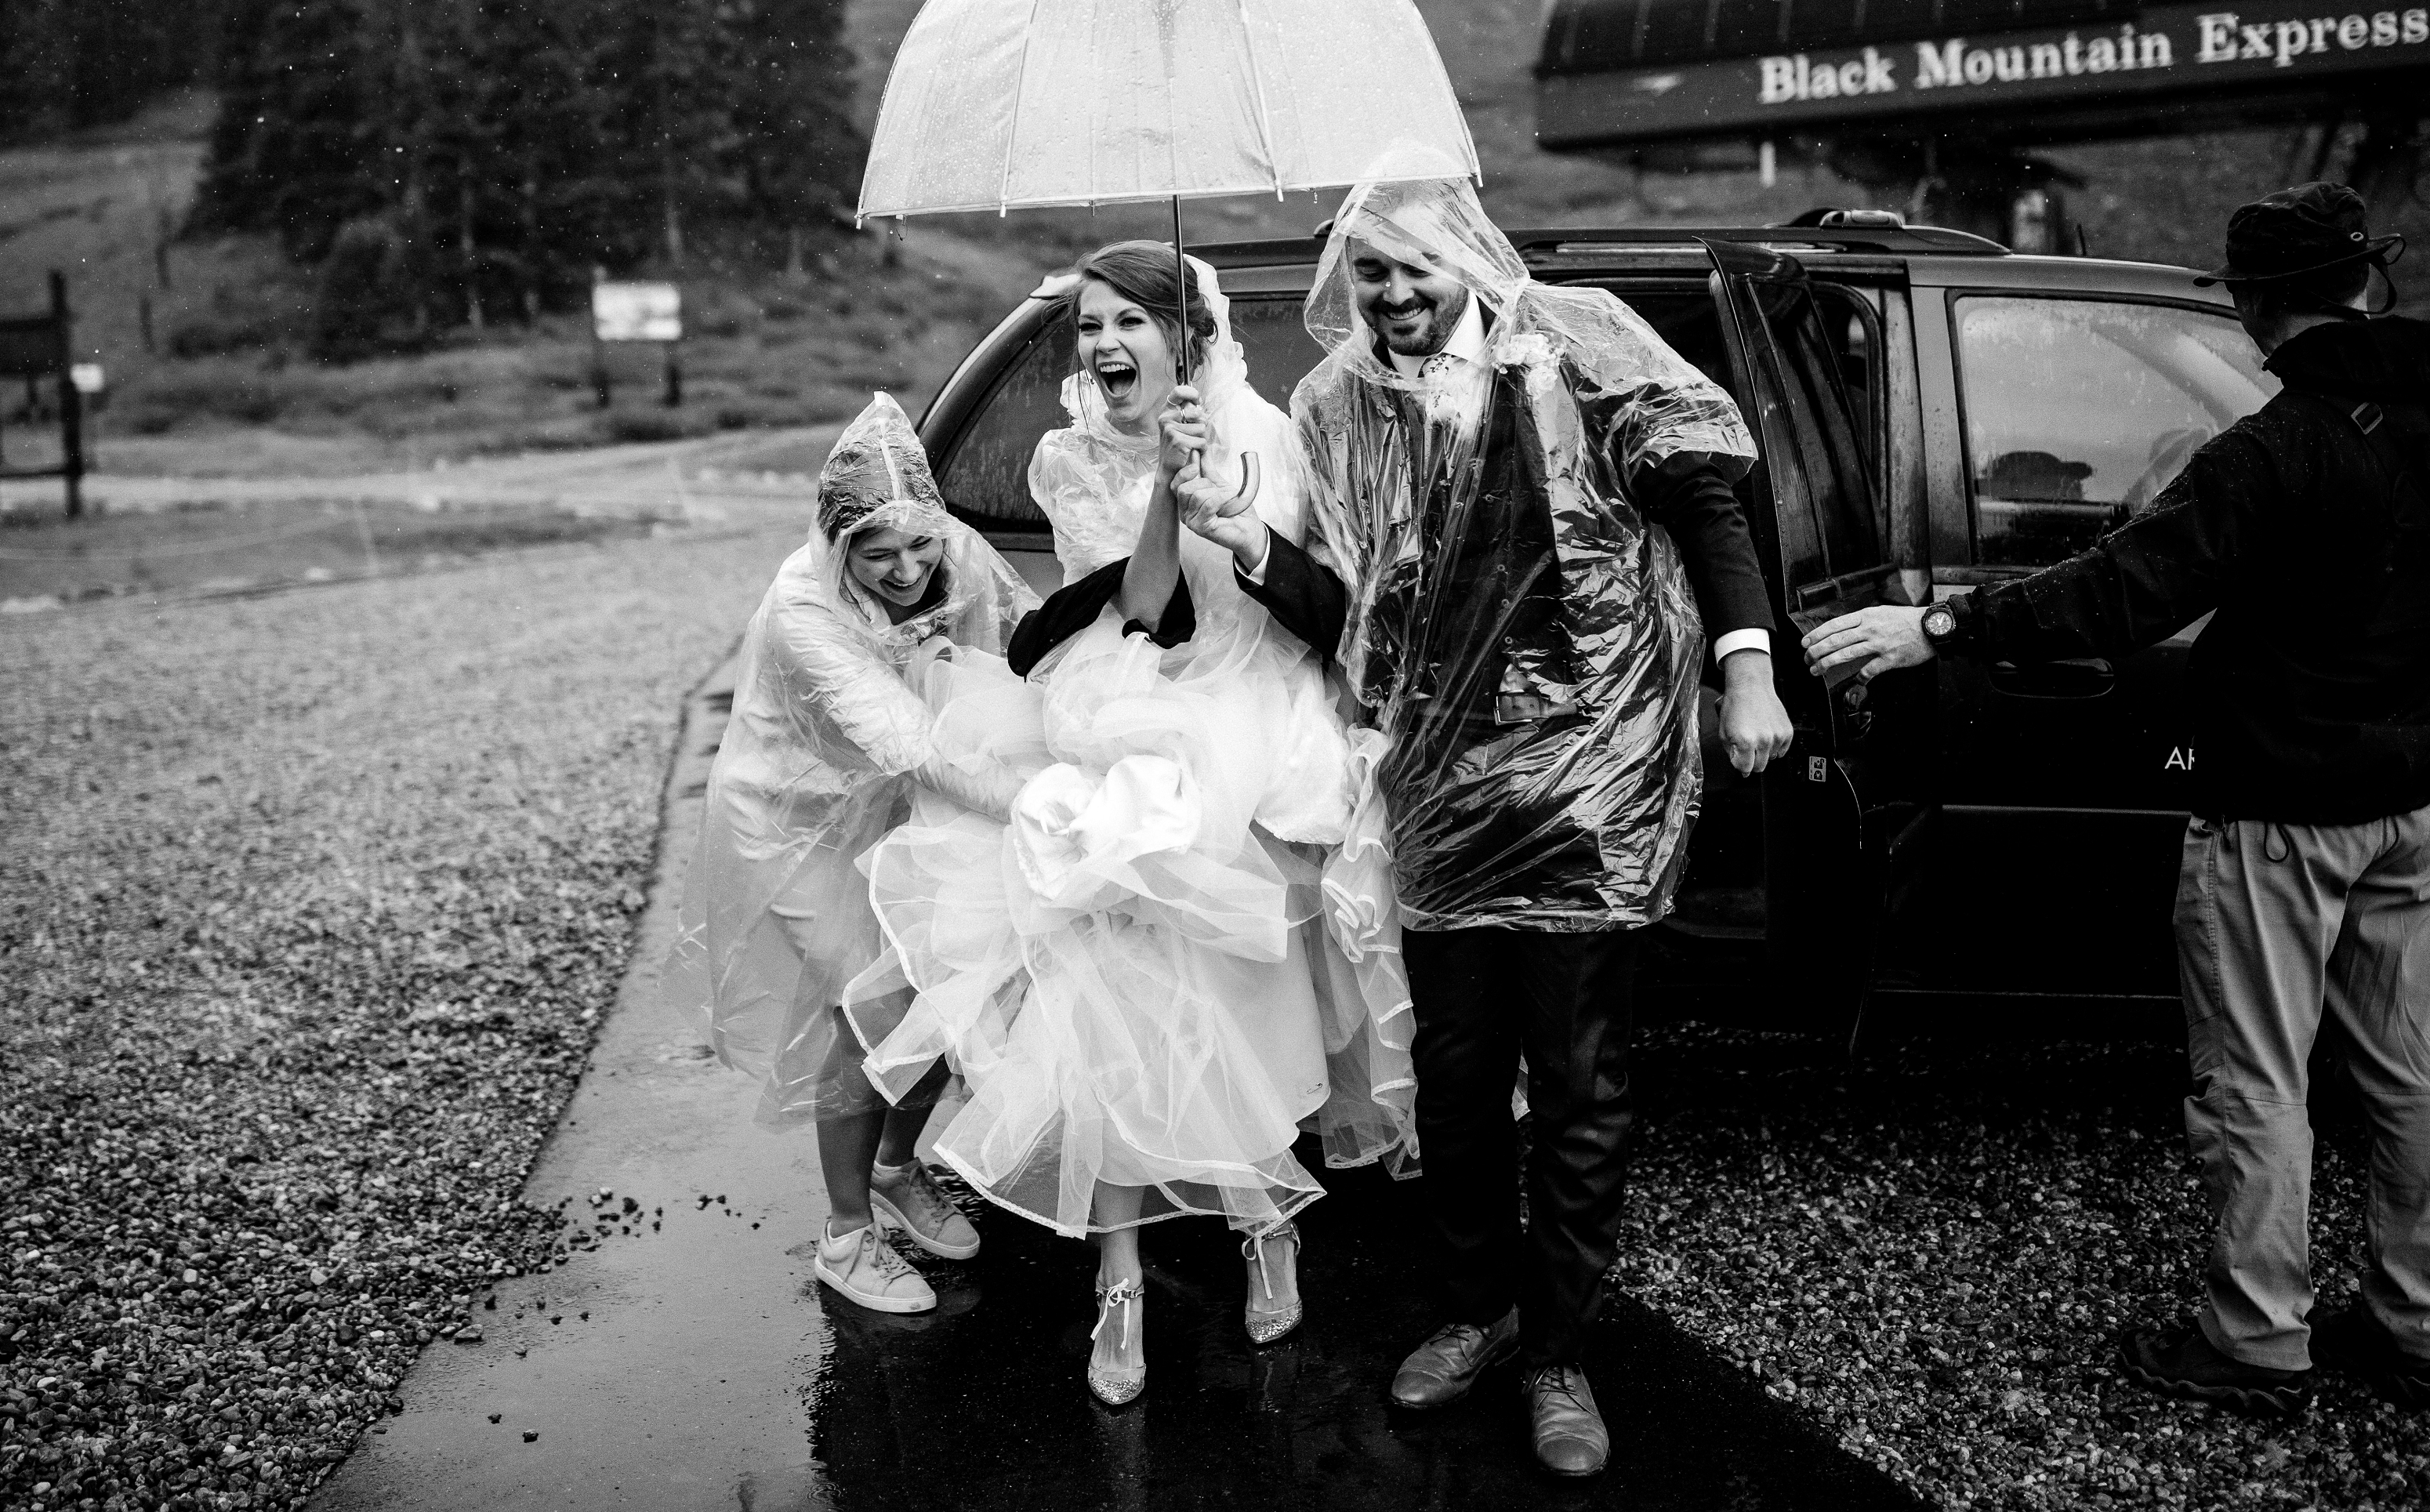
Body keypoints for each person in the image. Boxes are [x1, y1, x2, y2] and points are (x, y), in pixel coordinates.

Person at [1804, 181, 2430, 1416]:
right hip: (2412, 804)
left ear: (2253, 305)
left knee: (2257, 1081)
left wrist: (1941, 622)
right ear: (2363, 281)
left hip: (2279, 817)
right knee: (2411, 1070)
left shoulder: (2268, 451)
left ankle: (2255, 1340)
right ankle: (2421, 1327)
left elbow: (2123, 591)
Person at [1171, 168, 1791, 1478]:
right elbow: (1352, 608)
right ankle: (1476, 1308)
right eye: (1375, 272)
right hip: (1443, 787)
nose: (1393, 293)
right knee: (1453, 1080)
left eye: (1417, 267)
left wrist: (1747, 664)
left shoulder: (1575, 344)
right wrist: (1238, 528)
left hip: (1586, 772)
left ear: (1473, 260)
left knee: (1575, 1076)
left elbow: (1704, 500)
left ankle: (1559, 1348)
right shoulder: (1343, 403)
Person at [852, 241, 1415, 1408]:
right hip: (1118, 703)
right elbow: (1141, 606)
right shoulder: (1066, 453)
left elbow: (1320, 614)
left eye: (1130, 324)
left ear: (1188, 336)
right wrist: (1162, 487)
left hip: (1247, 715)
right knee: (1093, 985)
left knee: (1213, 988)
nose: (1105, 347)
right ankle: (1119, 1274)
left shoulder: (1267, 432)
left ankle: (1264, 1216)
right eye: (1091, 327)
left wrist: (1215, 486)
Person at [659, 393, 1036, 1315]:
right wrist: (1047, 802)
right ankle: (843, 1232)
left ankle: (896, 1168)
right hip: (793, 820)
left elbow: (1029, 638)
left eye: (921, 545)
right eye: (879, 553)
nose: (909, 569)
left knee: (945, 979)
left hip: (888, 803)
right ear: (837, 549)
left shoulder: (945, 554)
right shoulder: (803, 609)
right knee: (869, 1007)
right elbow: (920, 745)